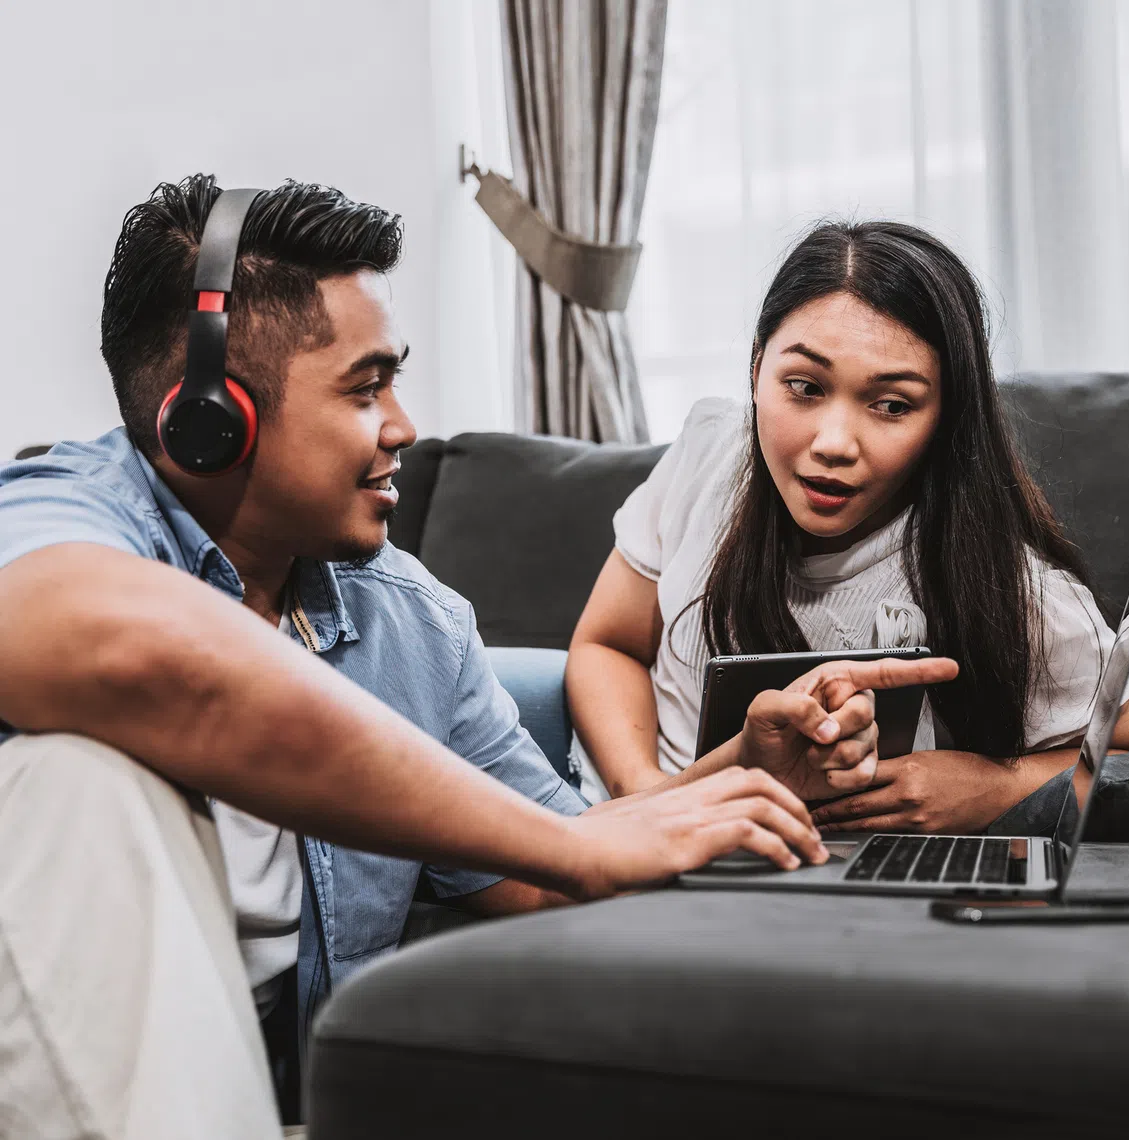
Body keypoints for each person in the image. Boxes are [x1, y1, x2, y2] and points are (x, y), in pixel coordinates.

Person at [0, 180, 953, 1139]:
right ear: (211, 420)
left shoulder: (413, 626)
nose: (404, 426)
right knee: (73, 773)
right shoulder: (59, 518)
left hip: (280, 1100)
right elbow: (124, 652)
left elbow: (552, 862)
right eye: (366, 388)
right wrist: (579, 845)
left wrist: (732, 780)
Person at [567, 219, 1129, 833]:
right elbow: (608, 644)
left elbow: (1126, 738)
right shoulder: (708, 455)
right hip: (620, 837)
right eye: (804, 387)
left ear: (945, 416)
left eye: (892, 405)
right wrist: (651, 798)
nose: (835, 444)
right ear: (757, 369)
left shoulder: (1014, 588)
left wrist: (996, 784)